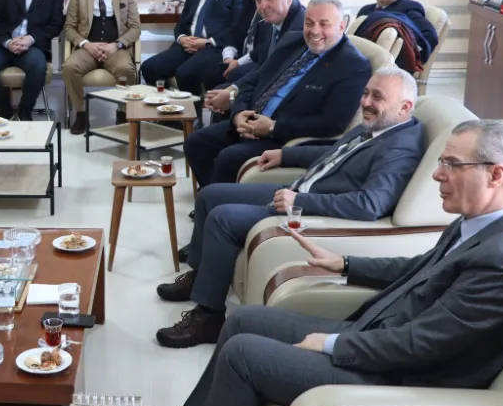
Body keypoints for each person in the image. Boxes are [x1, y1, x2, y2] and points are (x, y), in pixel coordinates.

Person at [154, 118, 503, 406]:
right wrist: (344, 264)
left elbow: (422, 345)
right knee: (243, 319)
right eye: (441, 161)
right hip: (381, 337)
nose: (437, 174)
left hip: (402, 376)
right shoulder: (480, 222)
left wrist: (332, 344)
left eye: (452, 164)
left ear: (496, 174)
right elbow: (421, 269)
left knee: (243, 354)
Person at [157, 67, 423, 347]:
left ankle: (208, 318)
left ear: (404, 107)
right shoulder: (380, 125)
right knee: (209, 196)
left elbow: (369, 205)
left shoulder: (400, 148)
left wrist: (299, 201)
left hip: (307, 209)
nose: (366, 102)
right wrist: (286, 154)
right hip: (297, 191)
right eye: (366, 93)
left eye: (377, 97)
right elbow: (333, 153)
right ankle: (201, 278)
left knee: (222, 218)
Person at [184, 0, 370, 188]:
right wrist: (239, 113)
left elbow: (333, 123)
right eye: (309, 23)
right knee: (196, 142)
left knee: (228, 158)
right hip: (251, 121)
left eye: (324, 24)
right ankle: (212, 194)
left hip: (285, 136)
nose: (314, 31)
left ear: (341, 26)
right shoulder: (293, 41)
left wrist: (273, 127)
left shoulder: (353, 66)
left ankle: (218, 200)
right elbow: (255, 79)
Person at [139, 0, 244, 116]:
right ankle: (167, 111)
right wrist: (181, 38)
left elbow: (237, 26)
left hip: (214, 47)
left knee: (185, 73)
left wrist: (208, 42)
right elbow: (182, 23)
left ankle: (191, 118)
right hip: (187, 45)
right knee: (150, 67)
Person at [62, 0, 142, 134]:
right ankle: (80, 113)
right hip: (88, 48)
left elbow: (135, 27)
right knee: (69, 67)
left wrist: (116, 45)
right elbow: (69, 27)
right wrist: (86, 44)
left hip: (116, 48)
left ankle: (122, 113)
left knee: (126, 69)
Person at [218, 0, 273, 86]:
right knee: (214, 67)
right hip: (242, 55)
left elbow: (265, 48)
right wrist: (228, 57)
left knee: (234, 74)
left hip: (260, 60)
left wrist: (238, 62)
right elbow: (235, 32)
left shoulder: (274, 6)